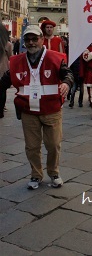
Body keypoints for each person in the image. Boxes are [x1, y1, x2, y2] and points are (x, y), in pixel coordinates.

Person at [0, 25, 73, 189]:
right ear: (24, 42)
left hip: (51, 109)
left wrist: (67, 83)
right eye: (28, 39)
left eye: (34, 39)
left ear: (41, 39)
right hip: (28, 111)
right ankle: (36, 175)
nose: (31, 42)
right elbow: (4, 81)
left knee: (53, 144)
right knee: (32, 146)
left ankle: (54, 172)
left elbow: (67, 73)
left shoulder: (55, 57)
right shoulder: (17, 61)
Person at [0, 24, 12, 118]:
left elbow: (10, 58)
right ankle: (2, 108)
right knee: (2, 90)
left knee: (2, 89)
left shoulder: (7, 44)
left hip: (3, 69)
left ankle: (1, 107)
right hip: (3, 69)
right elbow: (10, 57)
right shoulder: (7, 44)